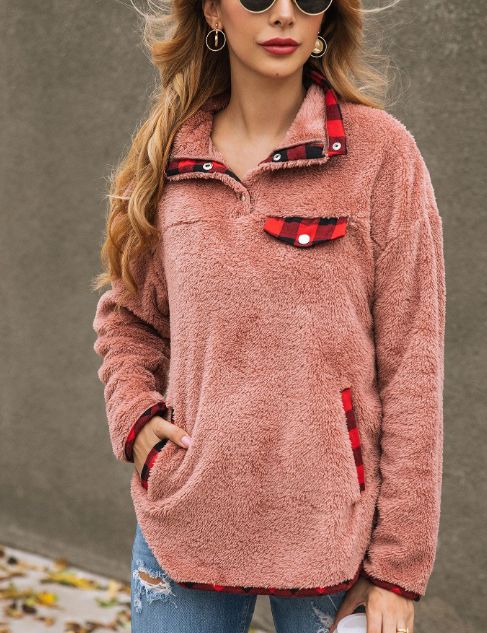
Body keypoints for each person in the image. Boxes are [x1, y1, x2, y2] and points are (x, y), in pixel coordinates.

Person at [91, 1, 446, 632]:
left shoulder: (381, 155)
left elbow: (414, 369)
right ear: (213, 11)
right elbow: (129, 318)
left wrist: (397, 567)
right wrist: (136, 419)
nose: (283, 14)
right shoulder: (170, 154)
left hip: (335, 538)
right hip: (187, 523)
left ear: (326, 18)